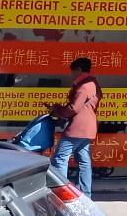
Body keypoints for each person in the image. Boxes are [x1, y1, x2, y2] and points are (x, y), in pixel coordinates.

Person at [48, 57, 102, 197]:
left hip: (77, 128)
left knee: (60, 158)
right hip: (88, 128)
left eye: (72, 72)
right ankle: (85, 194)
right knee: (84, 162)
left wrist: (58, 111)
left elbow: (74, 108)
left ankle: (60, 193)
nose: (71, 75)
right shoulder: (93, 83)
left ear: (78, 70)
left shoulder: (84, 86)